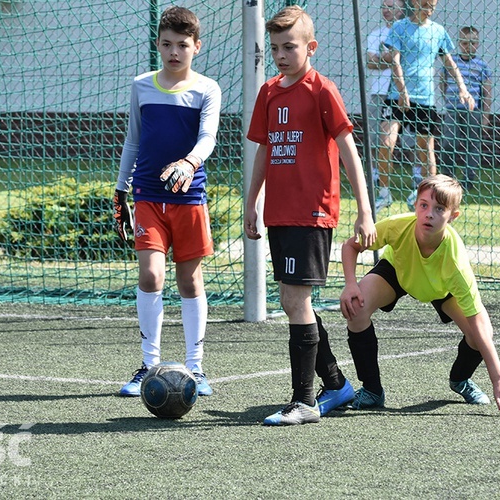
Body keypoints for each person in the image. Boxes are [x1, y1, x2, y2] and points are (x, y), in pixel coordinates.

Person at [244, 5, 376, 426]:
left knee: (295, 300)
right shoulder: (268, 92)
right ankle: (335, 384)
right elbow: (265, 149)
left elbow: (349, 152)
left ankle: (303, 401)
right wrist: (252, 202)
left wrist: (364, 210)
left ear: (311, 47)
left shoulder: (322, 90)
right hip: (279, 214)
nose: (281, 55)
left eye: (290, 46)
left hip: (313, 212)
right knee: (291, 300)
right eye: (276, 47)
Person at [339, 175, 500, 413]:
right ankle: (372, 390)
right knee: (356, 308)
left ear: (452, 216)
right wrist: (350, 284)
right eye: (424, 205)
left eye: (439, 209)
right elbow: (350, 245)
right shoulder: (397, 225)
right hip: (399, 272)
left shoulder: (456, 264)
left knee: (481, 333)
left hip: (441, 288)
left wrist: (498, 379)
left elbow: (477, 322)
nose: (429, 214)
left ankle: (460, 380)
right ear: (415, 205)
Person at [113, 6, 221, 398]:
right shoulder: (141, 84)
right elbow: (134, 140)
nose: (174, 52)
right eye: (166, 44)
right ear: (158, 44)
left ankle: (196, 368)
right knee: (151, 275)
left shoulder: (207, 89)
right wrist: (121, 188)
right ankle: (148, 364)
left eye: (182, 45)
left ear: (196, 47)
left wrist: (189, 163)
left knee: (189, 280)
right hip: (147, 196)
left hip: (189, 198)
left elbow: (207, 138)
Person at [380, 0, 475, 210]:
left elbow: (449, 62)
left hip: (425, 100)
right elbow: (394, 61)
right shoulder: (400, 27)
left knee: (426, 149)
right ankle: (384, 194)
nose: (430, 7)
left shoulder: (438, 31)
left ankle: (429, 198)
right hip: (398, 96)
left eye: (433, 4)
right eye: (425, 3)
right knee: (386, 143)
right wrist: (402, 91)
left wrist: (463, 88)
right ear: (414, 3)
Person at [366, 0, 408, 210]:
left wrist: (388, 58)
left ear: (402, 8)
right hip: (380, 93)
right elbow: (371, 62)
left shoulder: (409, 31)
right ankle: (382, 186)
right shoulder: (376, 35)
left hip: (407, 94)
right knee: (380, 140)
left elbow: (408, 60)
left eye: (392, 6)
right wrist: (392, 58)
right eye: (384, 5)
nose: (386, 9)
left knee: (417, 141)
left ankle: (419, 181)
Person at [439, 26, 492, 192]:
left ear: (478, 44)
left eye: (473, 42)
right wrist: (448, 100)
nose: (469, 46)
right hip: (453, 109)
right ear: (459, 43)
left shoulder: (481, 65)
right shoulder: (452, 63)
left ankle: (468, 181)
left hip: (473, 111)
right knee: (448, 143)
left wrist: (485, 115)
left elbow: (487, 91)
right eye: (465, 42)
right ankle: (447, 178)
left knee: (473, 145)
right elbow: (443, 81)